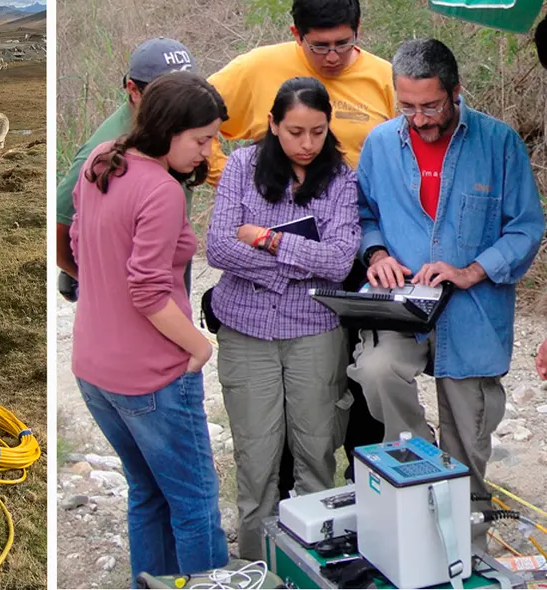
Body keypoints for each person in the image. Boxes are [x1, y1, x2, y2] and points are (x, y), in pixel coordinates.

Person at [350, 38, 545, 550]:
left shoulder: (498, 143)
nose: (418, 118)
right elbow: (363, 213)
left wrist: (472, 270)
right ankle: (420, 462)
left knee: (469, 428)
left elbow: (525, 227)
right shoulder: (379, 143)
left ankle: (467, 538)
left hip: (474, 308)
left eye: (430, 105)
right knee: (375, 369)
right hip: (404, 303)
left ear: (456, 92)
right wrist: (376, 255)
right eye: (407, 106)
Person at [205, 0, 392, 496]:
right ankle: (270, 532)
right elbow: (195, 112)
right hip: (256, 292)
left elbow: (333, 260)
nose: (332, 55)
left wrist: (267, 241)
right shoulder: (257, 68)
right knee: (262, 437)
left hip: (351, 255)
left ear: (358, 31)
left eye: (343, 44)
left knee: (336, 407)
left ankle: (345, 508)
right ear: (296, 34)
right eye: (319, 45)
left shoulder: (386, 79)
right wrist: (222, 175)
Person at [69, 72, 230, 586]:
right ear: (168, 128)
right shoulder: (160, 190)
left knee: (146, 492)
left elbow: (78, 246)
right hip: (151, 375)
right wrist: (199, 345)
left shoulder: (102, 160)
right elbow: (148, 292)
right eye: (201, 139)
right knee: (195, 503)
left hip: (93, 370)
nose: (208, 152)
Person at [206, 77, 361, 560]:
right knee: (256, 462)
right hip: (246, 331)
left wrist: (269, 241)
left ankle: (315, 565)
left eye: (318, 131)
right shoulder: (241, 167)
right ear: (273, 124)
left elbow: (339, 261)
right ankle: (258, 567)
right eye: (295, 131)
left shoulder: (341, 178)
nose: (307, 144)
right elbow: (218, 246)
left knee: (316, 455)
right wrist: (297, 264)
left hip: (314, 332)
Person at [57, 37, 197, 302]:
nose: (184, 102)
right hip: (132, 283)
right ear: (134, 90)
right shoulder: (104, 152)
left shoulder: (180, 125)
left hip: (174, 258)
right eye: (168, 94)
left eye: (190, 89)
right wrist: (95, 281)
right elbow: (57, 228)